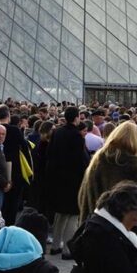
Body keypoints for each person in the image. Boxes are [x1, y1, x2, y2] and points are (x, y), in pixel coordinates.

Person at [44, 106, 90, 257]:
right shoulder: (76, 136)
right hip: (73, 181)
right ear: (76, 118)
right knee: (72, 215)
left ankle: (56, 245)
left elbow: (49, 154)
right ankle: (68, 249)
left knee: (60, 214)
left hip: (57, 180)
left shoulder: (57, 132)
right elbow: (81, 160)